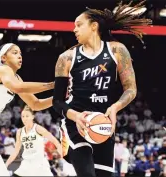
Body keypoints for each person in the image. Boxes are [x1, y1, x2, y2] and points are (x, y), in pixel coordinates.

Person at [52, 1, 152, 177]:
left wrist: (115, 107)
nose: (74, 29)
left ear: (94, 26)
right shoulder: (66, 58)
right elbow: (57, 101)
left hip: (103, 124)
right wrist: (76, 116)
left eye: (79, 25)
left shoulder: (117, 50)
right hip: (75, 124)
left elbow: (131, 89)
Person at [0, 43, 54, 176]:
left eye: (20, 53)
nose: (20, 56)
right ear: (3, 58)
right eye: (15, 53)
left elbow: (35, 104)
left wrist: (60, 97)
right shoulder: (1, 69)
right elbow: (18, 87)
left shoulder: (17, 79)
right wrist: (53, 85)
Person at [5, 105, 62, 176]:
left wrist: (59, 149)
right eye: (23, 116)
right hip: (26, 163)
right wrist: (6, 164)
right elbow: (16, 151)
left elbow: (54, 140)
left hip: (40, 163)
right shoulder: (19, 132)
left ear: (32, 117)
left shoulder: (38, 128)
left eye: (27, 116)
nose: (24, 118)